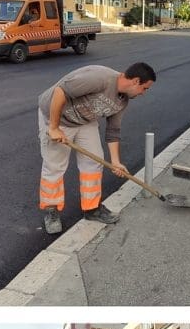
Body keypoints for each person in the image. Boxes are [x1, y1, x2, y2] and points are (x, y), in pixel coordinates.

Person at [37, 62, 157, 235]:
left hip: (85, 121)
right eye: (145, 88)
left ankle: (92, 208)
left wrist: (116, 162)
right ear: (136, 81)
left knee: (94, 163)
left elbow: (113, 130)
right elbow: (60, 91)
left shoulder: (122, 100)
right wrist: (54, 127)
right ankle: (51, 210)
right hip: (57, 117)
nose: (143, 93)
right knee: (55, 166)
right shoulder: (99, 78)